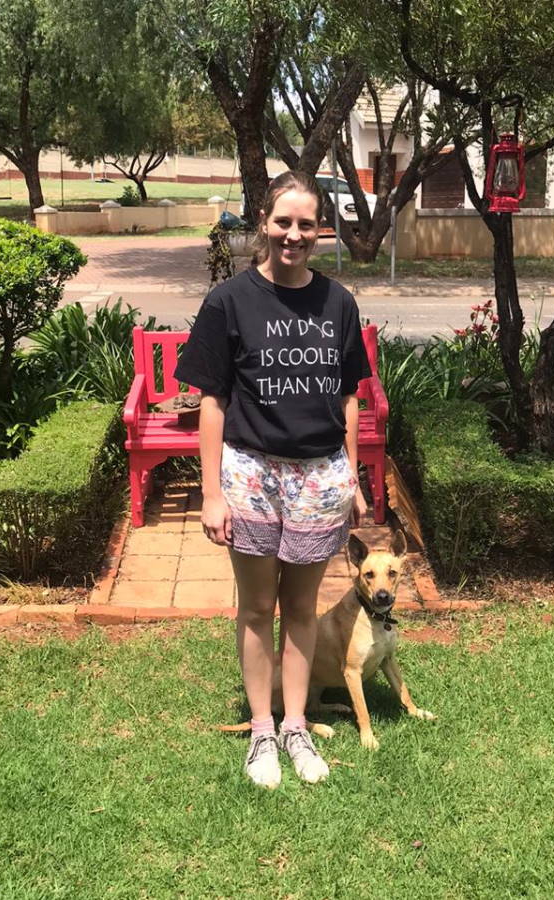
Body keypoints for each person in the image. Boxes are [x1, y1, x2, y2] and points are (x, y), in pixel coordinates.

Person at [174, 170, 371, 788]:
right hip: (251, 473)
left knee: (302, 608)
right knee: (258, 607)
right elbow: (211, 402)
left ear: (319, 230)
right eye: (283, 221)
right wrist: (211, 494)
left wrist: (354, 477)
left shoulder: (338, 302)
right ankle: (262, 731)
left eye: (306, 224)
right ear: (264, 221)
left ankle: (295, 725)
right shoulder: (229, 301)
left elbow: (348, 398)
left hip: (320, 478)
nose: (293, 234)